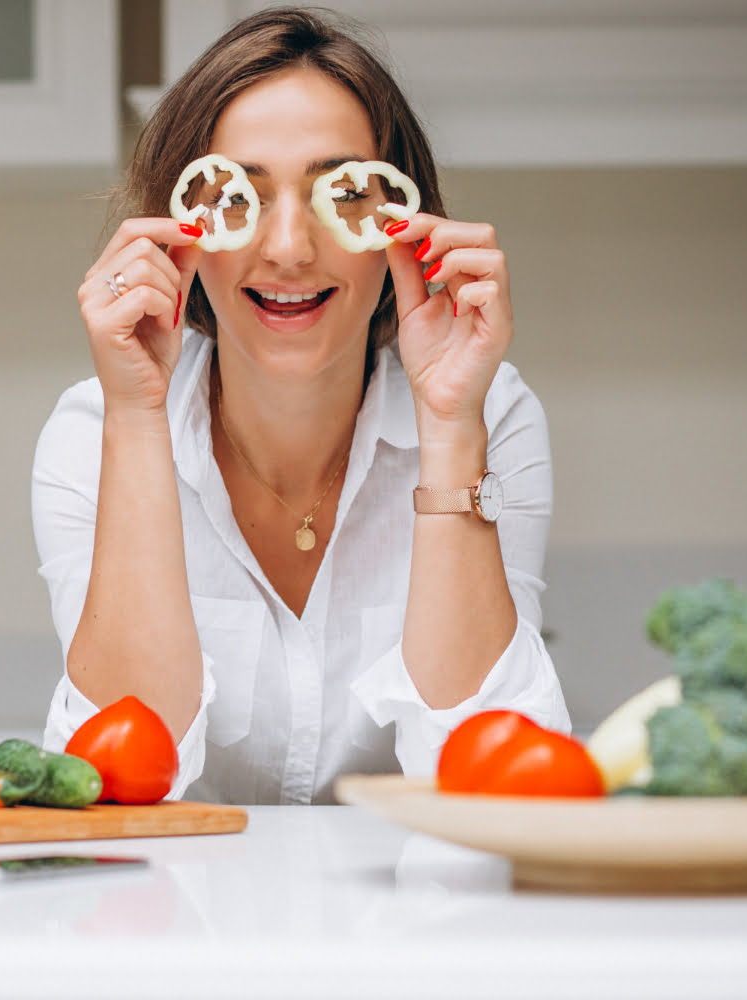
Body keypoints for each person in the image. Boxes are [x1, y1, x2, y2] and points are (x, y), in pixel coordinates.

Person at [32, 6, 570, 804]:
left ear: (399, 225)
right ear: (181, 232)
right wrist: (139, 417)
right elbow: (116, 774)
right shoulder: (92, 429)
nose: (287, 247)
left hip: (415, 921)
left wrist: (452, 425)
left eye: (342, 194)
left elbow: (491, 771)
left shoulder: (493, 412)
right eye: (237, 196)